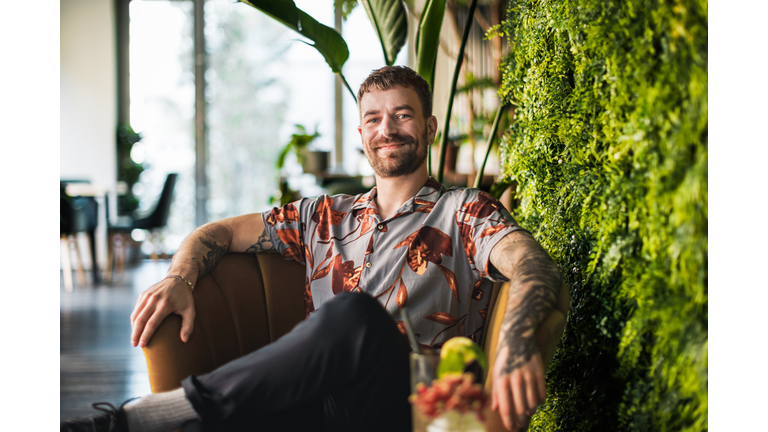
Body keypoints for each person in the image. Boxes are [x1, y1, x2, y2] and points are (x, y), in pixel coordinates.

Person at [62, 66, 568, 432]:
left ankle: (141, 417)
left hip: (404, 408)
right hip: (317, 406)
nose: (386, 129)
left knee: (357, 318)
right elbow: (216, 234)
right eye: (373, 119)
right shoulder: (322, 215)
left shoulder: (463, 210)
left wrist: (518, 343)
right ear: (361, 134)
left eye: (402, 116)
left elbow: (533, 266)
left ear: (429, 128)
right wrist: (179, 278)